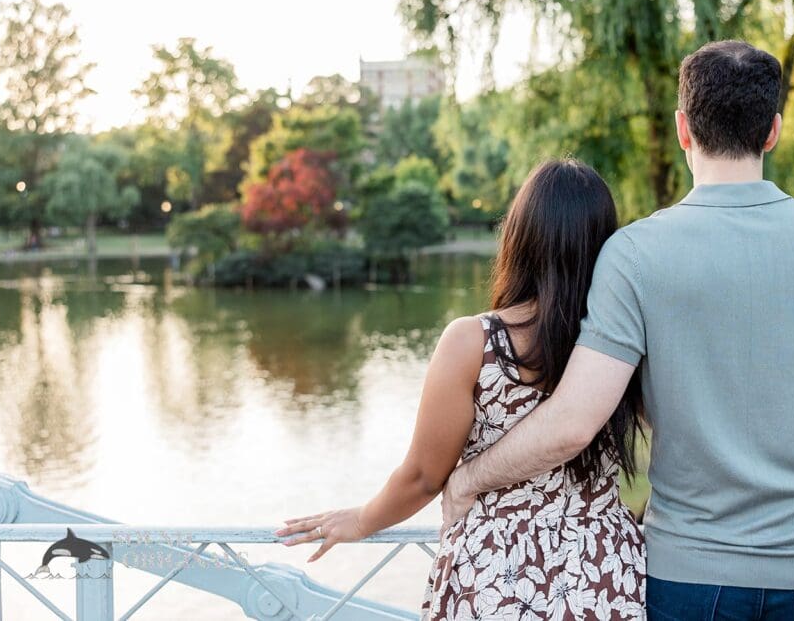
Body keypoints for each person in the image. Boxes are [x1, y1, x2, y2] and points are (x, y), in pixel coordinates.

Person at [441, 40, 794, 620]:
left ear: (683, 130)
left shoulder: (635, 255)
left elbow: (572, 424)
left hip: (692, 577)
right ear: (773, 131)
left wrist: (468, 480)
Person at [276, 160, 646, 619]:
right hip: (604, 572)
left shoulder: (474, 343)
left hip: (499, 575)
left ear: (519, 237)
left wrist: (362, 519)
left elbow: (424, 477)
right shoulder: (623, 345)